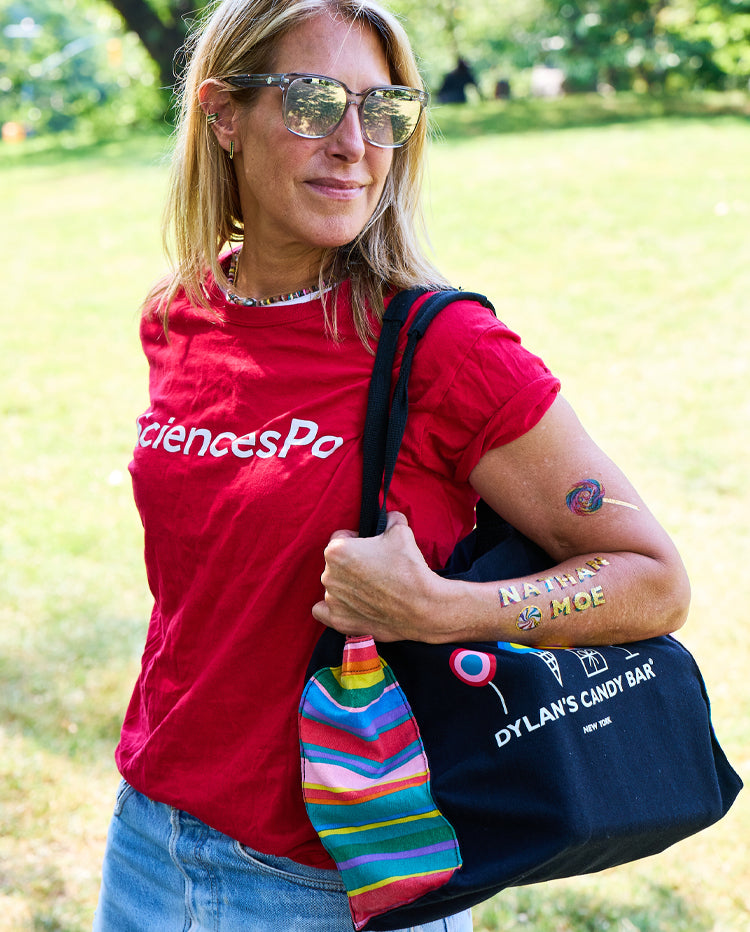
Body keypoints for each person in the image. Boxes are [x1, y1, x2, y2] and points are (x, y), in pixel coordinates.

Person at [92, 0, 691, 929]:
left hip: (335, 882)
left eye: (382, 110)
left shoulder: (442, 347)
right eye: (312, 102)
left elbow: (652, 581)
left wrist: (444, 609)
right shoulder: (180, 312)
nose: (353, 144)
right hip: (148, 840)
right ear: (222, 115)